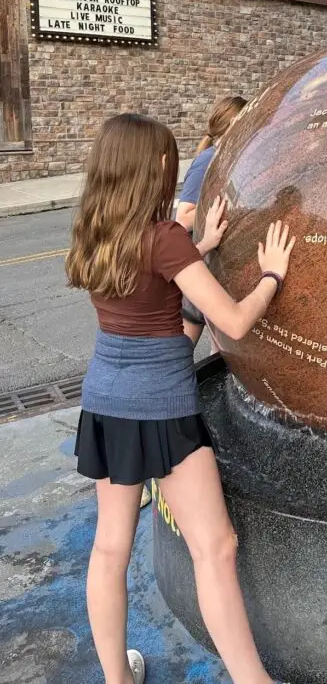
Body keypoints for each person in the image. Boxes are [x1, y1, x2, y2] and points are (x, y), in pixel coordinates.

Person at [66, 113, 293, 684]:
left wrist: (202, 245)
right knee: (214, 548)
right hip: (162, 409)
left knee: (110, 549)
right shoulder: (162, 237)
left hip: (105, 401)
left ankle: (116, 678)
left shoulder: (96, 227)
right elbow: (234, 322)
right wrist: (271, 276)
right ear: (157, 166)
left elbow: (154, 280)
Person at [176, 95, 247, 347]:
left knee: (223, 348)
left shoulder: (229, 158)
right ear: (231, 125)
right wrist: (223, 208)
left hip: (217, 264)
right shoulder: (207, 159)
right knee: (184, 346)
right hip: (199, 264)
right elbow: (183, 216)